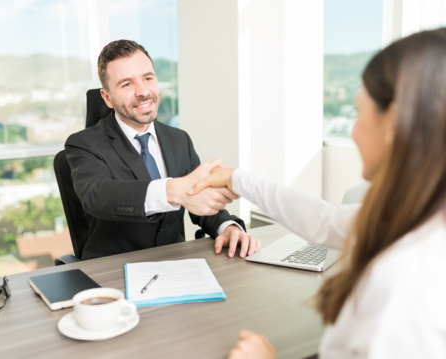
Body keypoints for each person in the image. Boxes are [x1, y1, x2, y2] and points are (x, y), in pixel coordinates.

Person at [191, 28, 446, 358]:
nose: (353, 131)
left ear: (394, 125)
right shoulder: (419, 217)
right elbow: (325, 220)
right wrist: (237, 179)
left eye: (359, 111)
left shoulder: (406, 279)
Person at [65, 39, 260, 260]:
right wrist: (173, 190)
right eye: (127, 84)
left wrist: (228, 227)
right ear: (107, 98)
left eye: (148, 78)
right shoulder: (84, 144)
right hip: (112, 270)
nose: (142, 91)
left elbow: (199, 199)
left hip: (175, 263)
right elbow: (97, 196)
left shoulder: (179, 140)